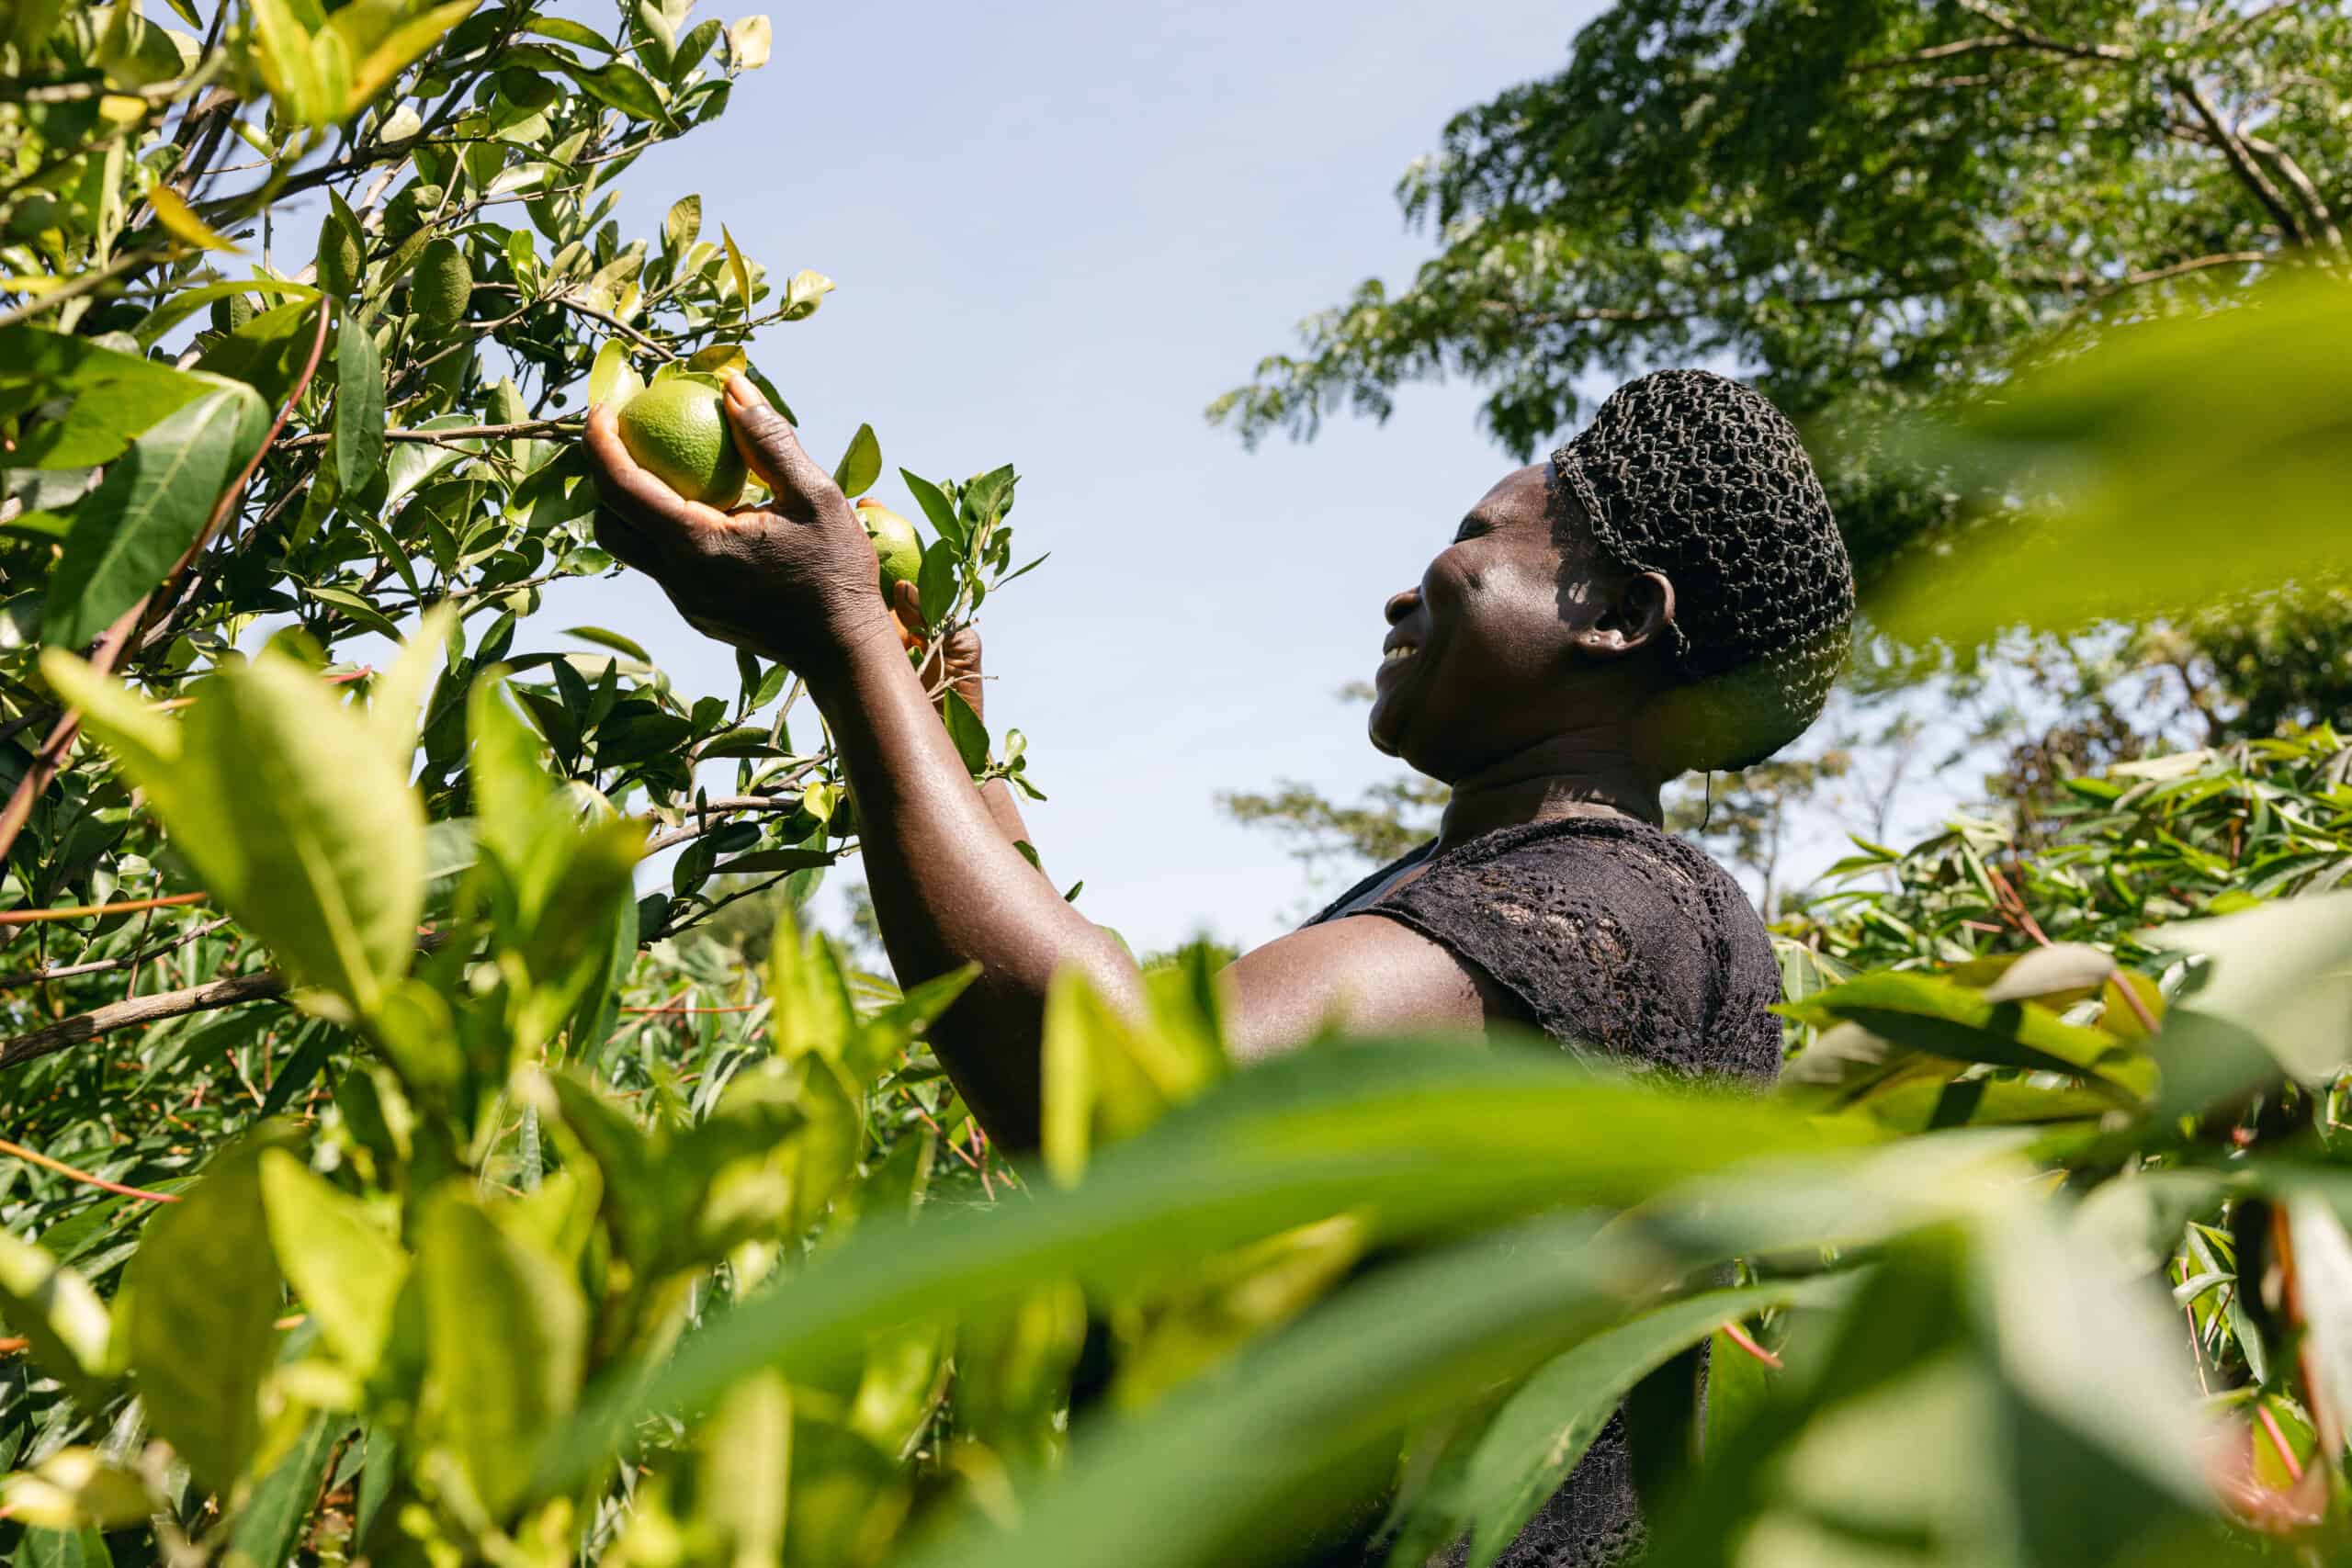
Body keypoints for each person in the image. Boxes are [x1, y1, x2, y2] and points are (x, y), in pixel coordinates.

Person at [585, 367, 1856, 1568]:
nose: (1408, 594)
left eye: (1473, 541)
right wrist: (936, 719)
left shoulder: (1618, 910)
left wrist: (846, 638)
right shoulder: (1495, 892)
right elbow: (1104, 1011)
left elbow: (1123, 1091)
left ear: (1619, 617)